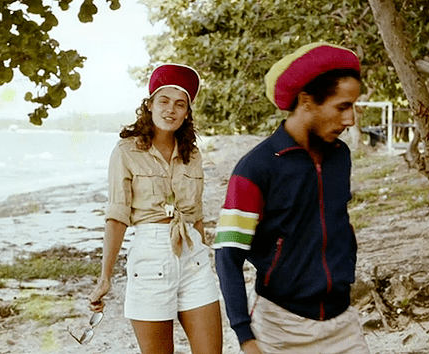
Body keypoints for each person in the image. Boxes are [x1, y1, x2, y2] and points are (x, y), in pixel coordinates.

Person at [213, 42, 371, 354]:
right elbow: (227, 254)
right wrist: (245, 337)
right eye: (342, 107)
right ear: (306, 101)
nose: (350, 120)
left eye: (353, 107)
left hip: (344, 323)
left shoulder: (341, 156)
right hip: (281, 330)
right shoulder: (255, 168)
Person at [88, 63, 223, 354]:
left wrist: (206, 256)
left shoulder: (193, 155)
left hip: (194, 259)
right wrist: (105, 277)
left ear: (187, 112)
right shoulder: (126, 152)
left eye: (179, 104)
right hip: (150, 261)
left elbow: (196, 216)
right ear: (149, 105)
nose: (170, 110)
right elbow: (117, 216)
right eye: (163, 101)